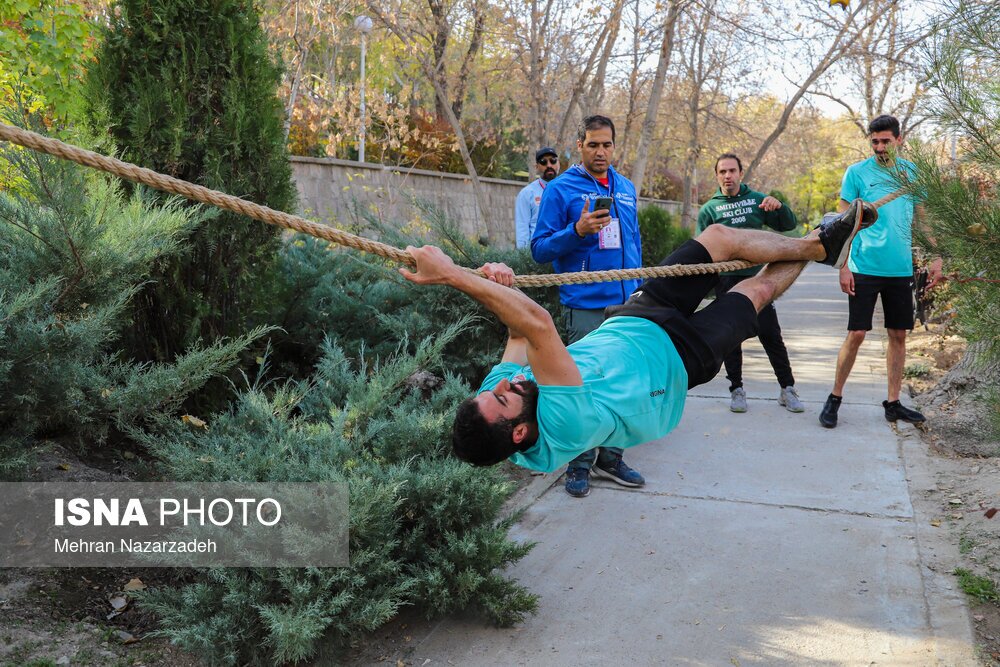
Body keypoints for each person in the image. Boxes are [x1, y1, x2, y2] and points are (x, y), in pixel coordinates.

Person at [398, 198, 877, 473]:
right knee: (757, 288)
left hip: (632, 320)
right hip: (675, 363)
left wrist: (497, 282)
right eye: (504, 399)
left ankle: (818, 244)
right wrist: (453, 276)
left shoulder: (496, 405)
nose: (502, 385)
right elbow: (539, 326)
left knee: (718, 239)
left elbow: (518, 336)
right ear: (521, 432)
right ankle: (821, 245)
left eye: (494, 390)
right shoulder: (560, 426)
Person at [530, 115, 644, 497]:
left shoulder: (625, 187)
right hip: (584, 305)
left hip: (627, 303)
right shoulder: (560, 189)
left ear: (614, 146)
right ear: (579, 145)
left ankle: (611, 458)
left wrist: (640, 290)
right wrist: (577, 231)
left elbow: (634, 245)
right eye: (593, 144)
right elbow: (540, 250)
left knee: (624, 384)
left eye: (607, 144)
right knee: (584, 386)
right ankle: (579, 465)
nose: (601, 151)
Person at [818, 115, 944, 429]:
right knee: (857, 333)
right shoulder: (857, 173)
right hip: (863, 267)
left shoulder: (913, 173)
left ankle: (893, 402)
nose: (879, 147)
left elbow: (923, 220)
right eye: (874, 141)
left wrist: (937, 255)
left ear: (899, 140)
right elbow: (841, 226)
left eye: (885, 140)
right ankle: (834, 397)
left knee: (898, 335)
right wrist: (843, 266)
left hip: (899, 269)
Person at [697, 153, 804, 414]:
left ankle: (787, 388)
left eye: (732, 170)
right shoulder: (709, 209)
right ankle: (736, 389)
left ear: (741, 173)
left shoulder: (757, 200)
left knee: (771, 336)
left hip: (759, 280)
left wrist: (778, 206)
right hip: (727, 284)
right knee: (731, 340)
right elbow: (703, 250)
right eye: (722, 172)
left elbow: (788, 225)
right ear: (717, 176)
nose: (727, 176)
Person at [515, 147, 561, 249]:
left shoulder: (568, 190)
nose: (549, 165)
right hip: (538, 254)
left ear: (558, 163)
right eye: (543, 162)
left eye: (553, 161)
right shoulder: (527, 194)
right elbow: (522, 228)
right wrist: (525, 258)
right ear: (536, 167)